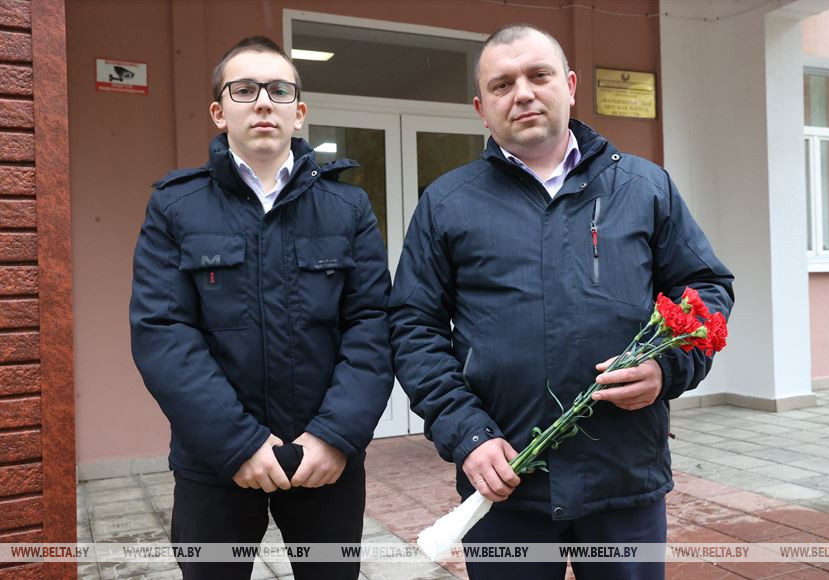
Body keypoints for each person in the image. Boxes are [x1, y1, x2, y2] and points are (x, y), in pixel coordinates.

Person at [389, 24, 734, 580]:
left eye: (538, 75)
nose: (522, 93)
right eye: (502, 84)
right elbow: (413, 326)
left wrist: (667, 367)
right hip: (505, 482)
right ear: (481, 109)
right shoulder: (447, 203)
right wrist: (467, 434)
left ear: (570, 86)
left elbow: (706, 287)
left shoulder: (644, 187)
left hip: (623, 475)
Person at [130, 36, 392, 580]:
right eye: (245, 90)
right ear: (218, 112)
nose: (264, 102)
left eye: (279, 90)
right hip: (215, 463)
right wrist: (238, 443)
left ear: (300, 111)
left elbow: (372, 325)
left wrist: (335, 436)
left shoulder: (348, 207)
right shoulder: (176, 206)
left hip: (325, 461)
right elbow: (163, 332)